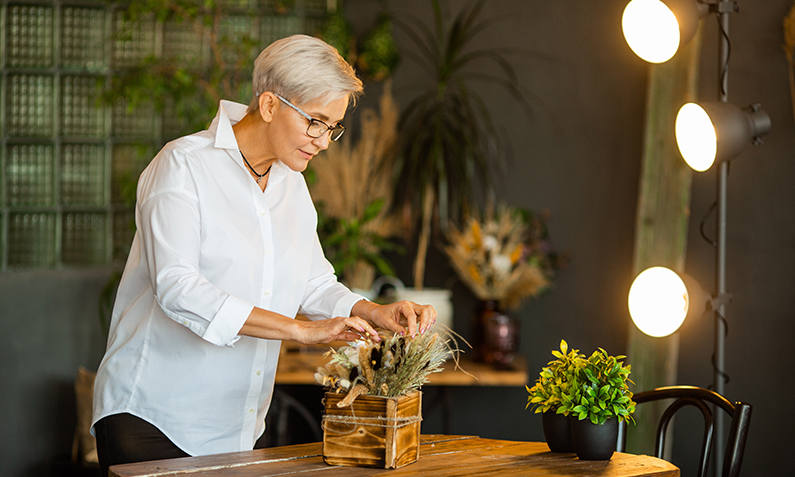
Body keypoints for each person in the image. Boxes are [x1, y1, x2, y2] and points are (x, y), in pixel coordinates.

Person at [91, 34, 436, 476]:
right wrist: (301, 331)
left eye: (332, 127)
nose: (324, 141)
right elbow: (178, 288)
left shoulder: (291, 183)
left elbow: (313, 281)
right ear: (270, 105)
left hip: (237, 424)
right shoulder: (182, 166)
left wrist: (374, 311)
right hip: (154, 416)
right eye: (316, 122)